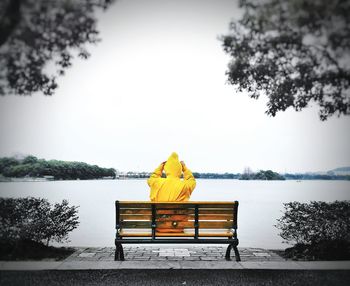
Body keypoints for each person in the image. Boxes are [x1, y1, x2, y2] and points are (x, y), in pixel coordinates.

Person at [147, 152, 196, 233]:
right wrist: (185, 168)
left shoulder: (157, 183)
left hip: (160, 226)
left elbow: (152, 178)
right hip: (179, 227)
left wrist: (160, 167)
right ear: (179, 171)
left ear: (166, 169)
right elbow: (192, 181)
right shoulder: (185, 185)